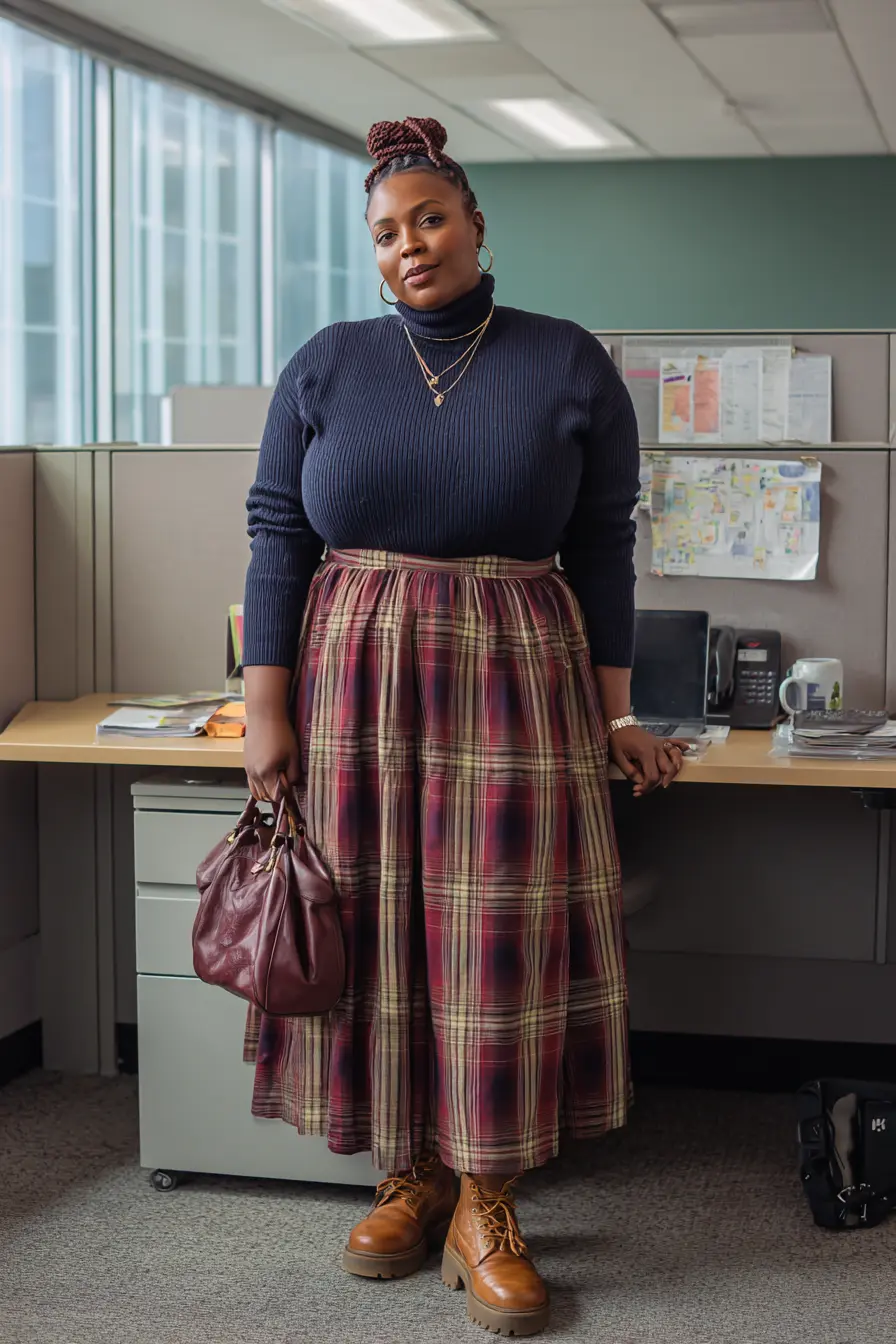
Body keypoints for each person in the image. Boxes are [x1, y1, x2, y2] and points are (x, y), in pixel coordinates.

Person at [241, 116, 684, 1338]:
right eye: (384, 234)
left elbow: (601, 548)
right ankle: (410, 1175)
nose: (408, 247)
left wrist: (616, 713)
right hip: (354, 686)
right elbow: (278, 533)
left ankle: (486, 1197)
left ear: (476, 222)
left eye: (428, 219)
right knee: (375, 930)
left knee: (491, 944)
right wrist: (265, 710)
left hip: (516, 677)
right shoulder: (327, 362)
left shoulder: (564, 360)